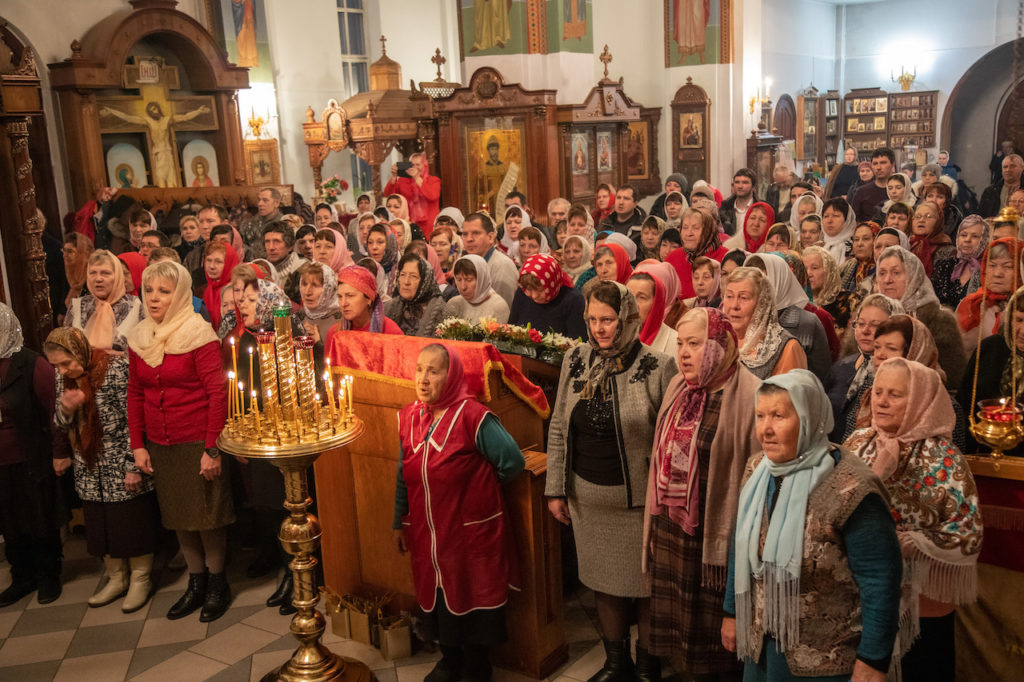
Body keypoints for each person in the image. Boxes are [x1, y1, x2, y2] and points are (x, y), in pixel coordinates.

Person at [723, 370, 902, 682]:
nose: (766, 429)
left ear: (809, 418)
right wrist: (732, 611)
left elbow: (880, 580)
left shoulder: (852, 488)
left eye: (779, 416)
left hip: (827, 661)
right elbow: (740, 544)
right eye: (760, 416)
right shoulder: (757, 470)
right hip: (762, 648)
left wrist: (873, 659)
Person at [546, 280, 676, 682]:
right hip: (588, 499)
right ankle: (616, 664)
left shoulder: (657, 365)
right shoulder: (576, 359)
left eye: (608, 320)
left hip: (639, 504)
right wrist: (555, 488)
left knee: (646, 588)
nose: (599, 328)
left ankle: (648, 668)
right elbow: (559, 425)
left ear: (627, 318)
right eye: (592, 320)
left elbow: (669, 441)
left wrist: (662, 502)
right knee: (604, 583)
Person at [394, 344, 524, 681]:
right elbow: (403, 474)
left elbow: (512, 461)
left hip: (468, 533)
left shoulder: (473, 416)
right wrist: (399, 520)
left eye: (433, 371)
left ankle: (478, 667)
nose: (423, 378)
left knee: (471, 591)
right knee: (437, 595)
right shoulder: (409, 417)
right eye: (419, 369)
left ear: (450, 376)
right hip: (428, 534)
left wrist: (479, 491)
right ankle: (449, 662)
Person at [845, 358, 981, 681]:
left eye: (895, 394)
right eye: (878, 391)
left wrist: (914, 542)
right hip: (860, 597)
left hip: (924, 605)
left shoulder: (944, 457)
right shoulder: (856, 443)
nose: (881, 401)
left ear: (920, 399)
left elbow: (968, 531)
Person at [641, 307, 758, 680]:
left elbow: (756, 479)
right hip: (674, 527)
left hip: (715, 537)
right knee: (679, 629)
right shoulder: (679, 387)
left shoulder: (751, 395)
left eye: (694, 343)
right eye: (679, 344)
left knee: (715, 644)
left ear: (720, 345)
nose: (684, 353)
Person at [127, 261, 232, 622]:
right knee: (179, 517)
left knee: (206, 517)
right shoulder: (139, 336)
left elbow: (217, 394)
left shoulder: (198, 334)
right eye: (149, 290)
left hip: (196, 440)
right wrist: (138, 444)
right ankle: (196, 582)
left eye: (164, 291)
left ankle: (217, 583)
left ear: (181, 295)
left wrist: (211, 448)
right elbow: (135, 393)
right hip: (161, 442)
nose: (154, 298)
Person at [45, 326, 159, 613]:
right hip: (89, 464)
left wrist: (132, 465)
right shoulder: (64, 378)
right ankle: (116, 577)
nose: (62, 371)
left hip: (121, 460)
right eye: (56, 366)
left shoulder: (115, 368)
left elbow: (136, 417)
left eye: (66, 363)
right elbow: (60, 424)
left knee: (130, 523)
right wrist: (66, 410)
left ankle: (140, 578)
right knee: (101, 525)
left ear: (79, 351)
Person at [0, 304, 67, 607]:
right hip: (1, 463)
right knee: (9, 521)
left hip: (30, 457)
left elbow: (55, 411)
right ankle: (22, 576)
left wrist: (59, 452)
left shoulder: (31, 364)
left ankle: (48, 575)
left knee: (38, 517)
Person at [875, 245, 966, 388]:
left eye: (896, 273)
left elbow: (951, 379)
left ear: (913, 276)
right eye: (882, 273)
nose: (887, 280)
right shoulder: (871, 316)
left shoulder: (939, 320)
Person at [827, 293, 903, 442]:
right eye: (861, 323)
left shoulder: (903, 378)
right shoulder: (841, 367)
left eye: (875, 325)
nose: (865, 331)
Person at [745, 253, 832, 382]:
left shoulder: (806, 322)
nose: (756, 289)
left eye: (763, 282)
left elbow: (822, 376)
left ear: (780, 280)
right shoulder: (741, 317)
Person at [721, 267, 807, 378]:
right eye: (729, 296)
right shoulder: (717, 339)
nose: (734, 306)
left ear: (762, 304)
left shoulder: (787, 348)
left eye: (744, 298)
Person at [65, 249, 145, 351]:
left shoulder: (136, 307)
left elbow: (144, 351)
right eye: (93, 273)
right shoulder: (77, 306)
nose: (98, 279)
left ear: (117, 276)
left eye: (105, 273)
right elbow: (65, 349)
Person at [955, 237, 1022, 354]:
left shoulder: (1019, 306)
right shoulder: (971, 304)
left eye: (1008, 266)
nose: (997, 274)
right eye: (992, 265)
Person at [509, 254, 587, 338]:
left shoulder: (573, 301)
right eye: (529, 289)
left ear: (552, 284)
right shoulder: (522, 293)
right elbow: (511, 329)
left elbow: (578, 341)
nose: (534, 296)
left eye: (540, 290)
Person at [326, 265, 404, 349]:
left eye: (350, 296)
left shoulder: (390, 333)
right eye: (340, 297)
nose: (343, 303)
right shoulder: (335, 333)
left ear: (368, 298)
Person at [667, 208, 729, 300]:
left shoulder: (726, 257)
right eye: (685, 228)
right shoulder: (672, 258)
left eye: (696, 228)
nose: (689, 233)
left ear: (708, 231)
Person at [460, 212, 520, 306]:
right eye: (465, 234)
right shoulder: (470, 264)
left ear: (491, 237)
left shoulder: (502, 266)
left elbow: (502, 309)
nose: (469, 239)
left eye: (476, 233)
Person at [931, 215, 991, 308]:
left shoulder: (988, 269)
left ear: (984, 240)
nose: (967, 240)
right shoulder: (944, 265)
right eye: (963, 235)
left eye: (975, 236)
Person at [385, 254, 445, 337]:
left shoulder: (441, 311)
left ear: (425, 281)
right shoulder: (389, 307)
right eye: (402, 275)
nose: (406, 282)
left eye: (413, 276)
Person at [441, 254, 510, 324]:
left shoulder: (498, 306)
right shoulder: (454, 303)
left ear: (482, 279)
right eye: (459, 280)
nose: (463, 287)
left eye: (469, 280)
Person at [803, 246, 856, 337]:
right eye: (804, 269)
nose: (808, 273)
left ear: (829, 270)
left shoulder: (849, 301)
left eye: (814, 268)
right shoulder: (798, 303)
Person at [386, 153, 441, 235]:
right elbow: (390, 196)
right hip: (410, 223)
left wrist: (417, 177)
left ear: (424, 166)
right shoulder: (403, 181)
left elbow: (433, 196)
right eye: (412, 165)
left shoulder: (433, 180)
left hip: (430, 224)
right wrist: (394, 177)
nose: (414, 167)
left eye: (418, 165)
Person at [627, 272, 676, 354]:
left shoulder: (675, 343)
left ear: (656, 304)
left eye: (642, 297)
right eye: (629, 297)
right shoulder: (613, 338)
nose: (633, 304)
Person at [295, 261, 343, 344]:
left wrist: (316, 343)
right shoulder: (297, 318)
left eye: (315, 285)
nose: (307, 292)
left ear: (329, 289)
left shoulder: (342, 321)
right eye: (304, 284)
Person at [848, 147, 895, 222]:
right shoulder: (861, 192)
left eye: (883, 163)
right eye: (875, 163)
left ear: (892, 164)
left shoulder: (902, 190)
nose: (878, 167)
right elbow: (853, 221)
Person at [909, 201, 954, 276]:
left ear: (938, 221)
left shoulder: (948, 251)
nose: (921, 220)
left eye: (928, 216)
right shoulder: (909, 245)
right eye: (918, 216)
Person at [240, 187, 284, 260]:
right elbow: (240, 246)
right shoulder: (247, 224)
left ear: (276, 203)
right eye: (259, 200)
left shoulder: (285, 224)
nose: (260, 204)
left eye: (265, 200)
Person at [263, 222, 306, 296]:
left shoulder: (304, 269)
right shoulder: (261, 268)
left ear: (290, 246)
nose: (271, 247)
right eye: (267, 242)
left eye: (277, 241)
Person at [980, 153, 1023, 218]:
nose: (1008, 170)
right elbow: (980, 215)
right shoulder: (990, 191)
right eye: (1005, 167)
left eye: (1013, 166)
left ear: (1022, 168)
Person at [719, 169, 758, 236]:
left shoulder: (762, 208)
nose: (740, 186)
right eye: (737, 182)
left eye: (745, 182)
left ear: (753, 187)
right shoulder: (724, 208)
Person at [63, 233, 95, 314]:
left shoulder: (93, 275)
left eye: (70, 251)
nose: (65, 255)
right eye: (64, 250)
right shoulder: (70, 272)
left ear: (83, 253)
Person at [819, 197, 857, 265]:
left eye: (835, 216)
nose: (829, 220)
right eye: (826, 216)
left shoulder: (854, 248)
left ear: (847, 220)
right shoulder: (819, 247)